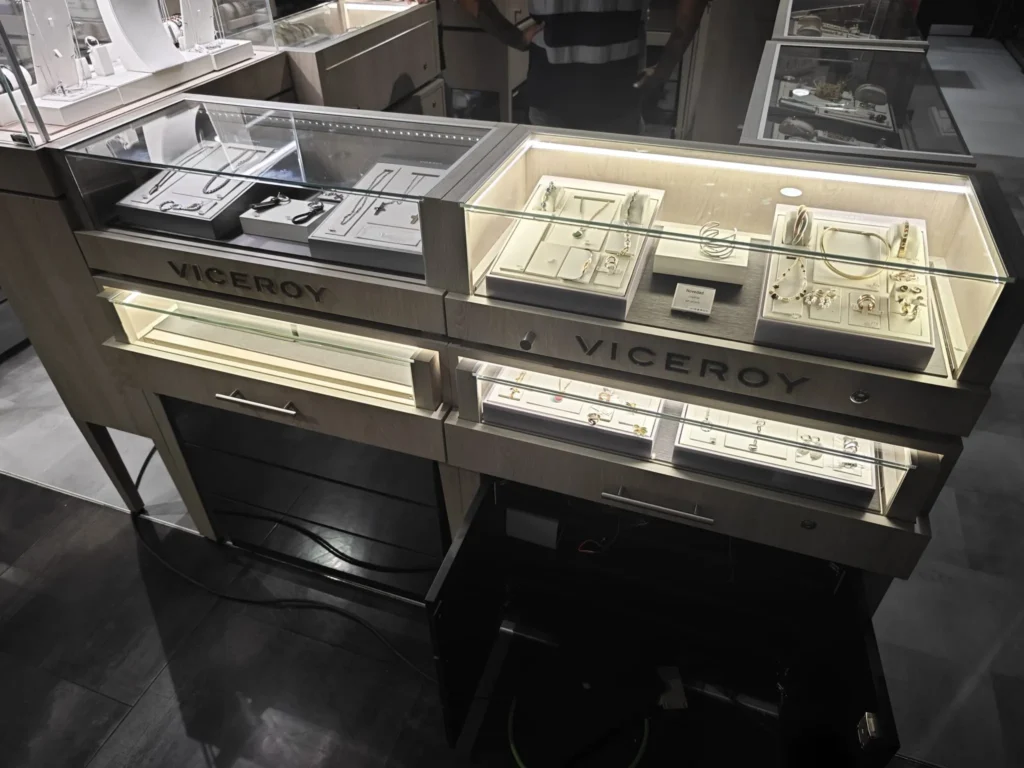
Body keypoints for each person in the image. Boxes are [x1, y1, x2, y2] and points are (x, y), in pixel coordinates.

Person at [456, 0, 713, 135]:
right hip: (616, 91)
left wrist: (513, 37)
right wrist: (665, 67)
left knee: (551, 199)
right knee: (613, 197)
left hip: (553, 90)